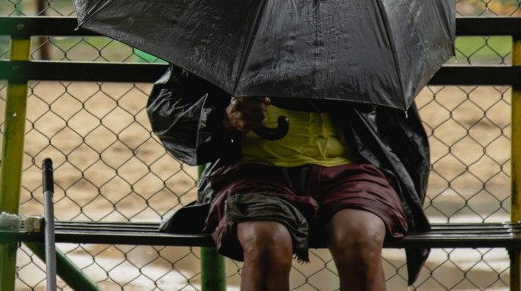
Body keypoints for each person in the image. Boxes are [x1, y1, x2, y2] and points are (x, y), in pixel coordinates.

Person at [147, 65, 431, 290]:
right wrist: (224, 118)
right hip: (254, 170)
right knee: (266, 242)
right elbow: (167, 106)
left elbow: (398, 123)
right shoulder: (230, 28)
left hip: (351, 170)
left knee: (361, 240)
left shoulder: (358, 33)